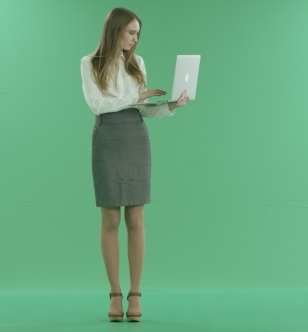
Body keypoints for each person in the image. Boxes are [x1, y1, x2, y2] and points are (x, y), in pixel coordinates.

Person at [80, 7, 189, 323]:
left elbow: (141, 110)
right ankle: (115, 293)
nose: (135, 38)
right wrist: (135, 97)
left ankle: (136, 292)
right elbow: (97, 104)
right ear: (115, 30)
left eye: (137, 33)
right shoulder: (90, 63)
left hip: (135, 137)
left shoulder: (137, 63)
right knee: (111, 218)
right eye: (131, 32)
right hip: (107, 136)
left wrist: (171, 106)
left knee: (137, 218)